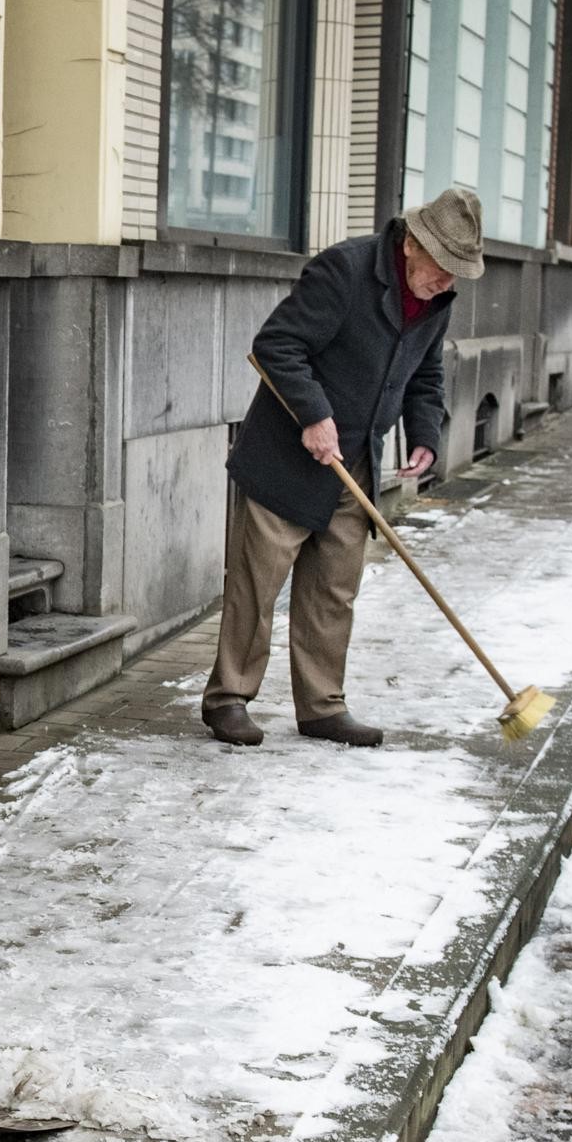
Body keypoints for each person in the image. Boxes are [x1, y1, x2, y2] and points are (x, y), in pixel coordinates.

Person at [201, 185, 478, 750]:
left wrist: (425, 434)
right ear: (413, 246)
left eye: (458, 273)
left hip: (355, 462)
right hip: (290, 454)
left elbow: (426, 374)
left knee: (335, 587)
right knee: (259, 583)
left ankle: (322, 705)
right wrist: (313, 412)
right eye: (444, 267)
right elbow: (277, 345)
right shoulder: (345, 271)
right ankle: (228, 698)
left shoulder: (434, 301)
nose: (448, 281)